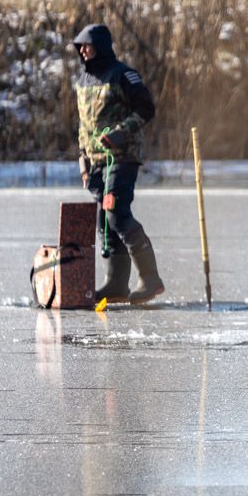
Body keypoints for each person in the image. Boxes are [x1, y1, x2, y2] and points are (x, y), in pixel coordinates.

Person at [72, 23, 164, 305]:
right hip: (96, 162)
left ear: (100, 45)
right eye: (80, 47)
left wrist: (121, 132)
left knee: (117, 214)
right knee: (104, 222)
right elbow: (84, 125)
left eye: (87, 45)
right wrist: (82, 160)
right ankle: (116, 285)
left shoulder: (124, 75)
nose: (83, 51)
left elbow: (146, 109)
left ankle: (150, 279)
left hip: (122, 157)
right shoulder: (83, 81)